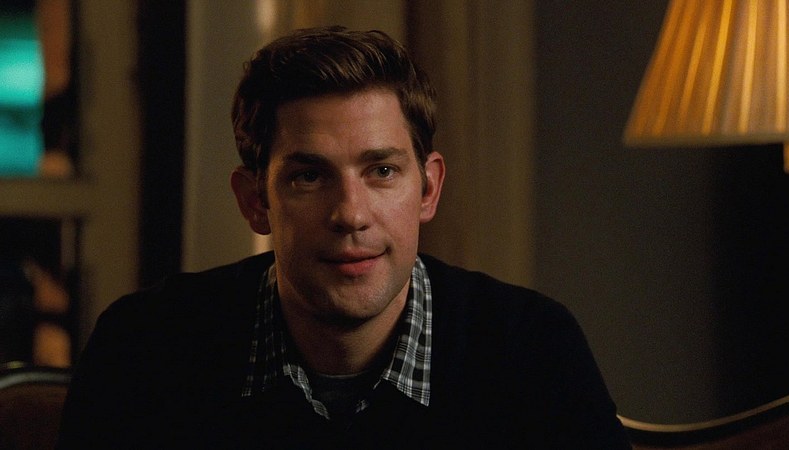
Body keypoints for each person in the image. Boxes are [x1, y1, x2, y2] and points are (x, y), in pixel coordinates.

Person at [57, 26, 630, 449]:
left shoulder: (533, 351)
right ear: (255, 201)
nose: (350, 215)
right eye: (309, 177)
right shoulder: (144, 349)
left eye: (381, 171)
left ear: (428, 189)